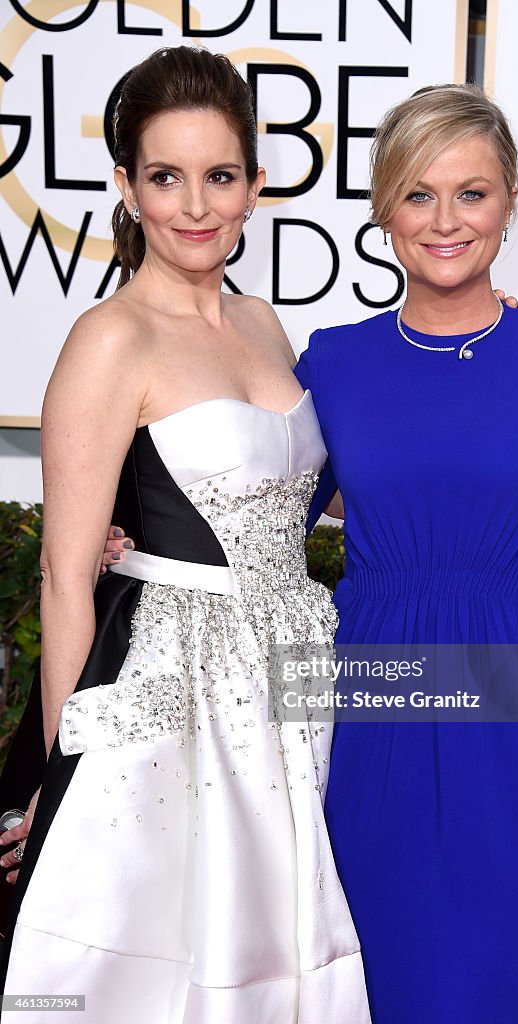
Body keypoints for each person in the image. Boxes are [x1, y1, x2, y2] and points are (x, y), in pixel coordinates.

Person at [0, 46, 370, 1023]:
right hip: (172, 680)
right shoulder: (109, 338)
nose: (195, 206)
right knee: (161, 950)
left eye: (219, 176)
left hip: (290, 675)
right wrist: (64, 770)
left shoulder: (262, 323)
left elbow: (299, 495)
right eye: (165, 177)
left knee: (275, 942)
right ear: (126, 187)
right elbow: (67, 576)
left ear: (255, 184)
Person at [291, 86, 518, 1021]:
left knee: (485, 989)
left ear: (510, 204)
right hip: (368, 706)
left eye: (472, 194)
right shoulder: (332, 362)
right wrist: (137, 537)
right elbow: (259, 531)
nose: (445, 221)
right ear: (382, 207)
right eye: (418, 194)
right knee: (368, 982)